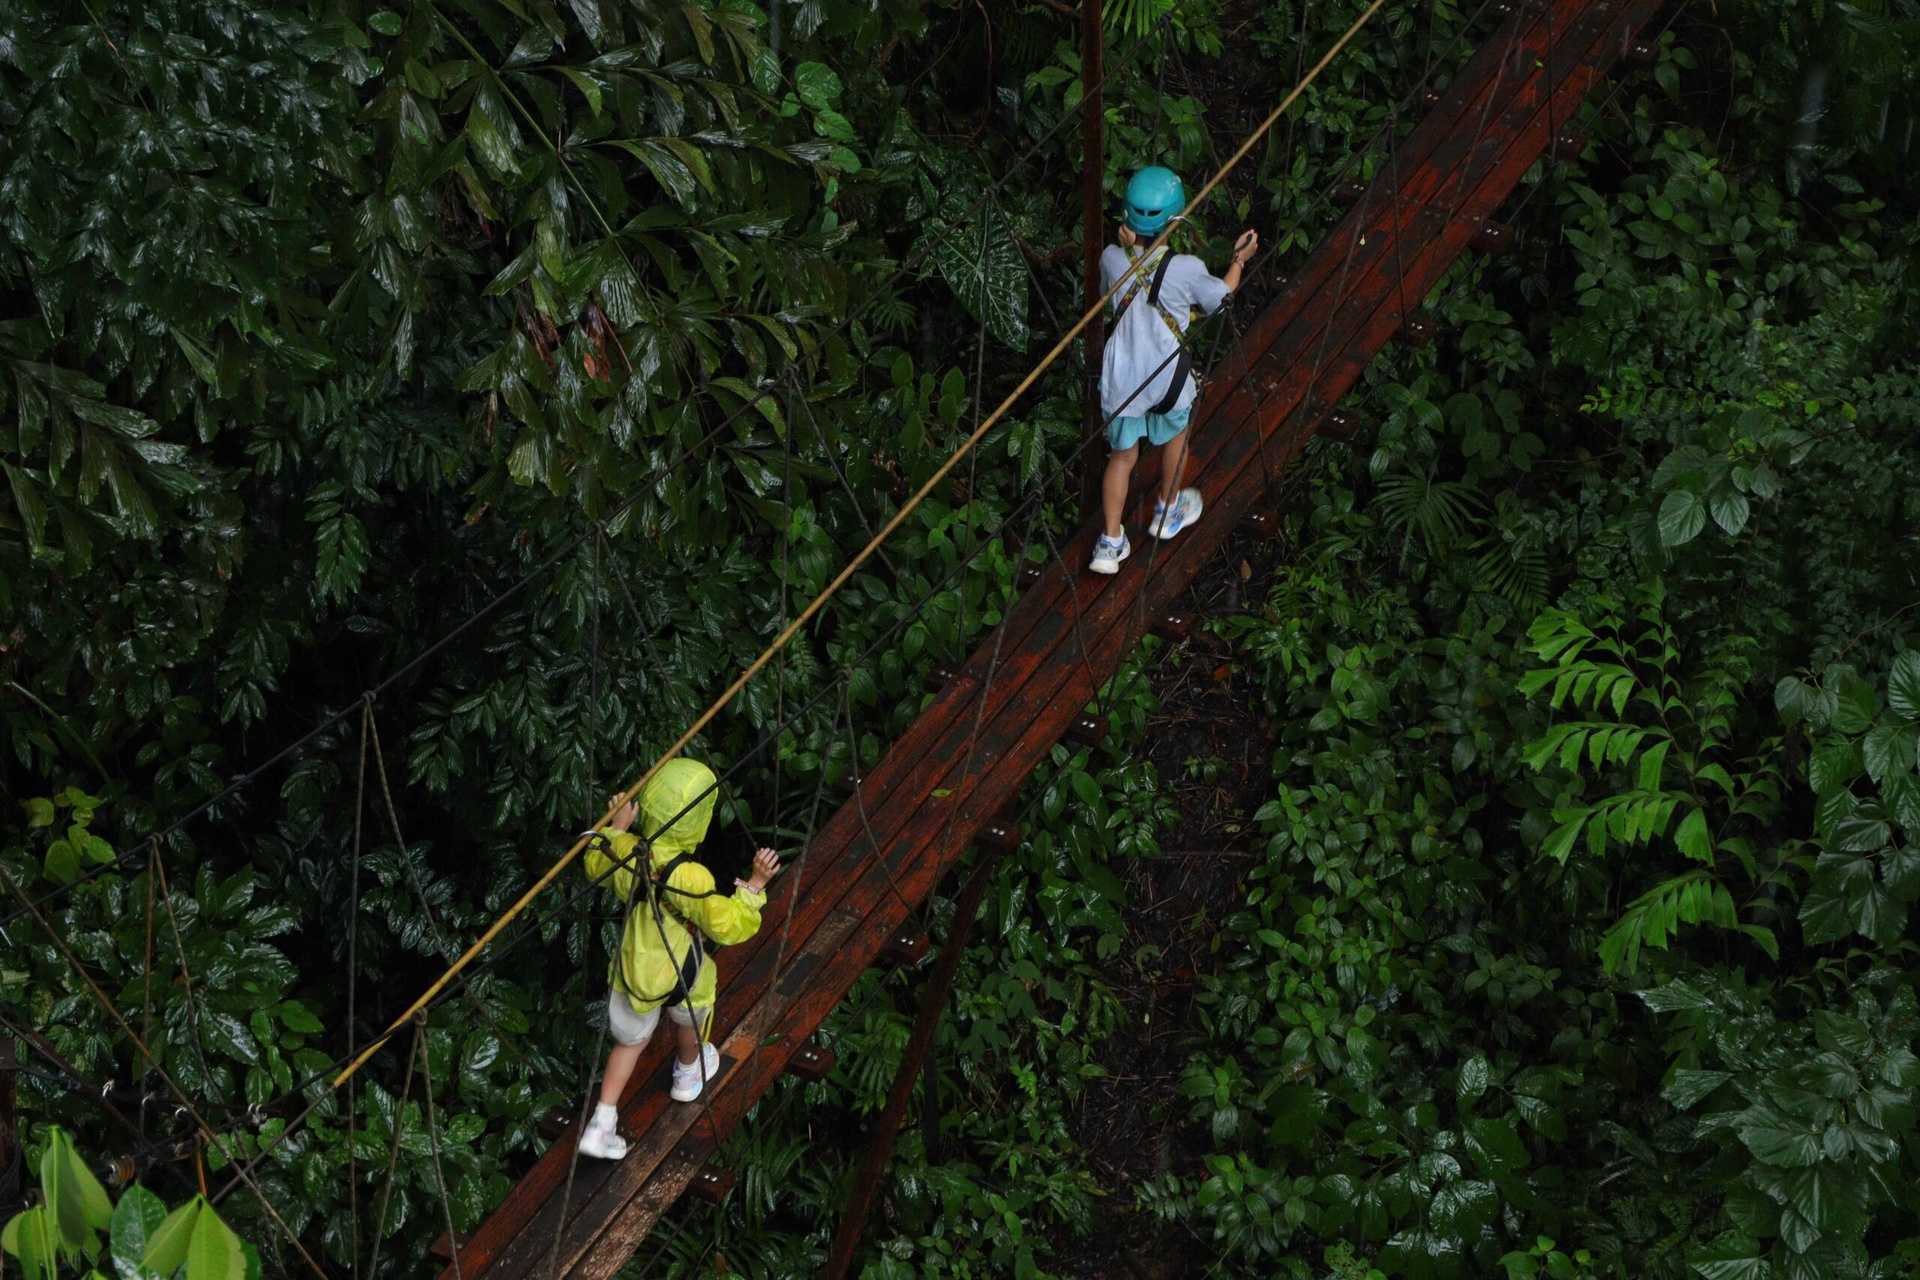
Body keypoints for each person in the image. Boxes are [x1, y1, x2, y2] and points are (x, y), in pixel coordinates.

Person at [576, 758, 780, 1160]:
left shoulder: (626, 850)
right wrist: (754, 886)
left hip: (634, 964)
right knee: (695, 1006)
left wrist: (616, 829)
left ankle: (602, 1122)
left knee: (629, 1042)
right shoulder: (692, 878)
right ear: (697, 821)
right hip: (680, 965)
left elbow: (594, 863)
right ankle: (688, 1072)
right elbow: (727, 926)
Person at [1090, 166, 1258, 575]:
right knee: (1177, 433)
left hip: (1122, 376)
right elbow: (1221, 298)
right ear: (1176, 220)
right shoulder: (1185, 268)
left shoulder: (1111, 259)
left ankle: (1109, 543)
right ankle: (1168, 506)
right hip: (1166, 375)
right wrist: (1238, 260)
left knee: (1122, 457)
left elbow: (1108, 293)